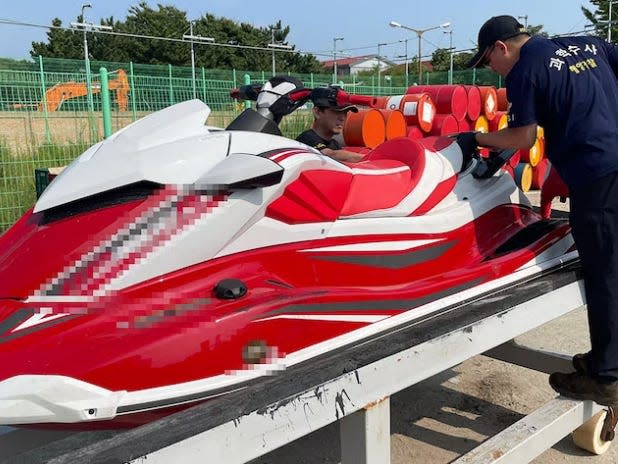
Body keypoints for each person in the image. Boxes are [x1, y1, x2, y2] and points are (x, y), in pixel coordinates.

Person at [457, 15, 618, 405]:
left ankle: (608, 377)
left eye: (488, 62)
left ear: (502, 47)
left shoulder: (525, 70)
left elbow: (522, 136)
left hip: (595, 174)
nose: (492, 72)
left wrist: (472, 137)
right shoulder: (588, 44)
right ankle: (605, 358)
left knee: (604, 272)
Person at [296, 86, 365, 162]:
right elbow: (330, 155)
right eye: (337, 112)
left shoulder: (334, 144)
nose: (343, 118)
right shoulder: (306, 139)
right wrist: (370, 158)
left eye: (345, 113)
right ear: (317, 112)